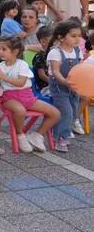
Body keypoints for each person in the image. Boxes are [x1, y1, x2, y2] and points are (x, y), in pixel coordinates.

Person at [0, 36, 58, 153]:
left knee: (55, 113)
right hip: (9, 97)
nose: (0, 52)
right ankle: (20, 135)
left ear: (15, 51)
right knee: (20, 110)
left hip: (27, 96)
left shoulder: (22, 64)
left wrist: (3, 76)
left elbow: (21, 82)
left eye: (4, 49)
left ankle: (37, 136)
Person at [47, 19, 84, 152]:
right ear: (61, 37)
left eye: (79, 36)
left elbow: (80, 69)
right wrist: (65, 82)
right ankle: (60, 138)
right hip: (59, 87)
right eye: (73, 36)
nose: (77, 39)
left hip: (73, 87)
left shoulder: (77, 51)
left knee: (73, 111)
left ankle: (64, 132)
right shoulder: (55, 52)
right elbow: (55, 71)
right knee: (66, 112)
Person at [32, 25, 53, 93]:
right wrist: (54, 84)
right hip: (46, 88)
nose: (57, 42)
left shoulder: (54, 54)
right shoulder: (40, 56)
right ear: (43, 42)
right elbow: (42, 75)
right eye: (53, 40)